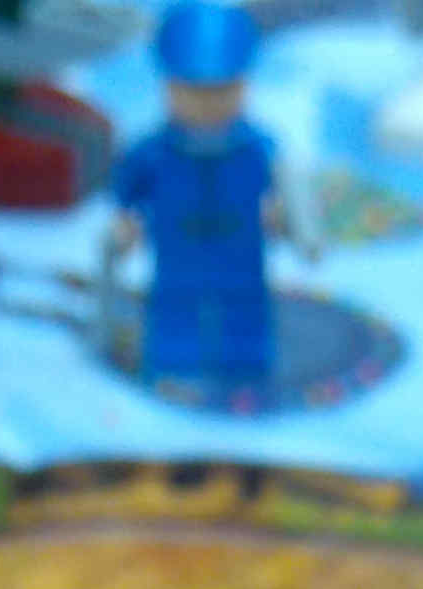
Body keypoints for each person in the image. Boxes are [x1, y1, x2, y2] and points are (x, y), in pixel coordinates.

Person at [110, 2, 302, 387]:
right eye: (195, 92)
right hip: (178, 256)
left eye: (223, 91)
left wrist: (282, 216)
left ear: (244, 86)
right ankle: (172, 363)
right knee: (175, 312)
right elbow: (126, 194)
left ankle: (246, 364)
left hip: (240, 254)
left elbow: (283, 191)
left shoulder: (257, 148)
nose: (209, 104)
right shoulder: (153, 153)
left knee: (244, 311)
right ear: (169, 88)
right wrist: (126, 225)